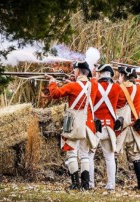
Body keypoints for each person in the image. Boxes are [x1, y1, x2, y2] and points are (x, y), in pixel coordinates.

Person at [47, 61, 98, 190]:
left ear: (77, 71)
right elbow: (90, 81)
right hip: (89, 124)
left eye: (74, 70)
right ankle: (86, 185)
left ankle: (75, 184)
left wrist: (52, 82)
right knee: (84, 155)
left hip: (74, 124)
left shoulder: (73, 86)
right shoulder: (94, 85)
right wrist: (72, 80)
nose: (73, 72)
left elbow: (55, 94)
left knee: (71, 154)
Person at [88, 64, 121, 190]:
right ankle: (111, 185)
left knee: (90, 155)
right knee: (109, 157)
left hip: (95, 126)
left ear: (100, 73)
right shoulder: (117, 87)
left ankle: (90, 184)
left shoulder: (94, 85)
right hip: (109, 126)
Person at [115, 66, 140, 190]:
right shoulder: (138, 88)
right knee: (137, 156)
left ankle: (112, 183)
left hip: (121, 127)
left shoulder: (117, 89)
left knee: (114, 154)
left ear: (122, 75)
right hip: (134, 126)